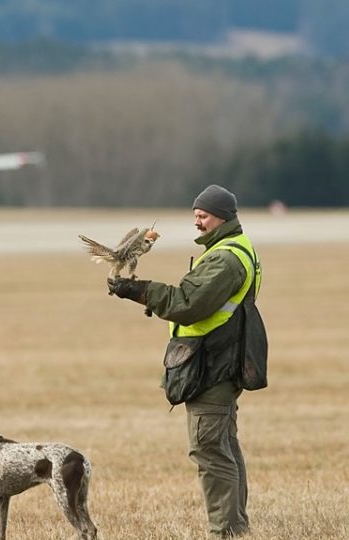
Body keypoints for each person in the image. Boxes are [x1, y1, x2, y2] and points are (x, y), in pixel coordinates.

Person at [107, 184, 261, 538]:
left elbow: (188, 304)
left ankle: (224, 530)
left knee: (209, 450)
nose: (197, 222)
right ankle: (236, 526)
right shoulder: (234, 248)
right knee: (224, 446)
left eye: (203, 216)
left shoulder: (225, 259)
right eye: (195, 215)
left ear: (223, 216)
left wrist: (137, 290)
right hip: (221, 359)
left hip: (212, 364)